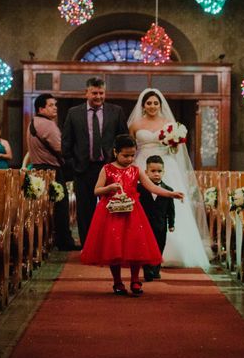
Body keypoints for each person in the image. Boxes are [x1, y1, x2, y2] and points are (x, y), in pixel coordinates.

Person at [80, 134, 183, 295]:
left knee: (135, 246)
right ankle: (117, 282)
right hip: (112, 212)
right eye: (125, 155)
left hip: (132, 213)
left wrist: (171, 194)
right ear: (115, 152)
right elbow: (96, 190)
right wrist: (109, 188)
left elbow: (151, 187)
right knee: (113, 248)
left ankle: (135, 280)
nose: (129, 159)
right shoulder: (106, 169)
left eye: (132, 155)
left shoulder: (136, 170)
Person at [128, 88, 211, 269]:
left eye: (155, 103)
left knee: (169, 205)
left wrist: (172, 144)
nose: (152, 106)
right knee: (143, 205)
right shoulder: (135, 125)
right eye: (149, 103)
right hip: (142, 164)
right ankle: (140, 249)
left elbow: (176, 150)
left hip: (165, 165)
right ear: (143, 105)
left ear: (160, 105)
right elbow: (130, 150)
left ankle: (174, 250)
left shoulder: (169, 124)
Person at [62, 77, 129, 245]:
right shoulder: (74, 113)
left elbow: (123, 139)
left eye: (101, 93)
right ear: (86, 93)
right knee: (85, 211)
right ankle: (88, 246)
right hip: (83, 169)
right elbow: (66, 143)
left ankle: (111, 244)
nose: (98, 96)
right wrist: (73, 165)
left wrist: (120, 165)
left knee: (112, 208)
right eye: (94, 93)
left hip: (109, 168)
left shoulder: (116, 111)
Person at [27, 93, 77, 251]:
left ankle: (51, 239)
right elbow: (61, 148)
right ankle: (64, 242)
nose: (55, 107)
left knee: (46, 207)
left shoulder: (34, 122)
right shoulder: (47, 124)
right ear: (41, 108)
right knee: (60, 207)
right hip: (51, 170)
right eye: (51, 105)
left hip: (38, 169)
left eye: (55, 104)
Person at [138, 155, 175, 282]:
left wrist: (171, 223)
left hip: (160, 224)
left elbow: (171, 209)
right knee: (145, 247)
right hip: (144, 224)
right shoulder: (139, 188)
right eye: (153, 171)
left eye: (159, 171)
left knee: (160, 246)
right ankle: (147, 270)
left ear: (163, 172)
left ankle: (156, 269)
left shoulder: (168, 190)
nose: (156, 174)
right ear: (146, 172)